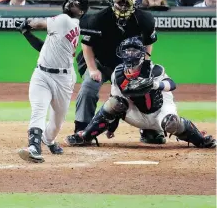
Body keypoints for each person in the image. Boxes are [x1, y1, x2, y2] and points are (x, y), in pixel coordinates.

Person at [64, 0, 166, 147]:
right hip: (100, 61)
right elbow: (86, 46)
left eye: (127, 2)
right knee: (88, 87)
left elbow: (148, 44)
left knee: (145, 89)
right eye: (120, 2)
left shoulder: (145, 19)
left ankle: (149, 130)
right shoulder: (97, 19)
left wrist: (144, 66)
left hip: (130, 64)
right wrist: (92, 70)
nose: (123, 6)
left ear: (135, 4)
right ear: (113, 3)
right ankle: (82, 129)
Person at [72, 37, 216, 149]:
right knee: (114, 103)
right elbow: (115, 99)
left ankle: (200, 140)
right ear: (121, 53)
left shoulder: (155, 70)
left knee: (172, 123)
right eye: (127, 50)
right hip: (134, 113)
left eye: (134, 50)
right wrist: (112, 127)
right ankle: (85, 136)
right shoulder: (117, 73)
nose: (130, 53)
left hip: (160, 112)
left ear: (142, 53)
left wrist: (155, 84)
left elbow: (171, 84)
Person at [17, 0, 89, 163]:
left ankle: (48, 140)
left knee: (57, 122)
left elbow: (37, 23)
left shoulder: (64, 20)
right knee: (39, 109)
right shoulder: (62, 25)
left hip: (63, 79)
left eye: (75, 3)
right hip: (41, 74)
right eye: (69, 1)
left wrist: (26, 24)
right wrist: (26, 34)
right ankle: (34, 147)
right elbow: (43, 48)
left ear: (81, 12)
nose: (70, 4)